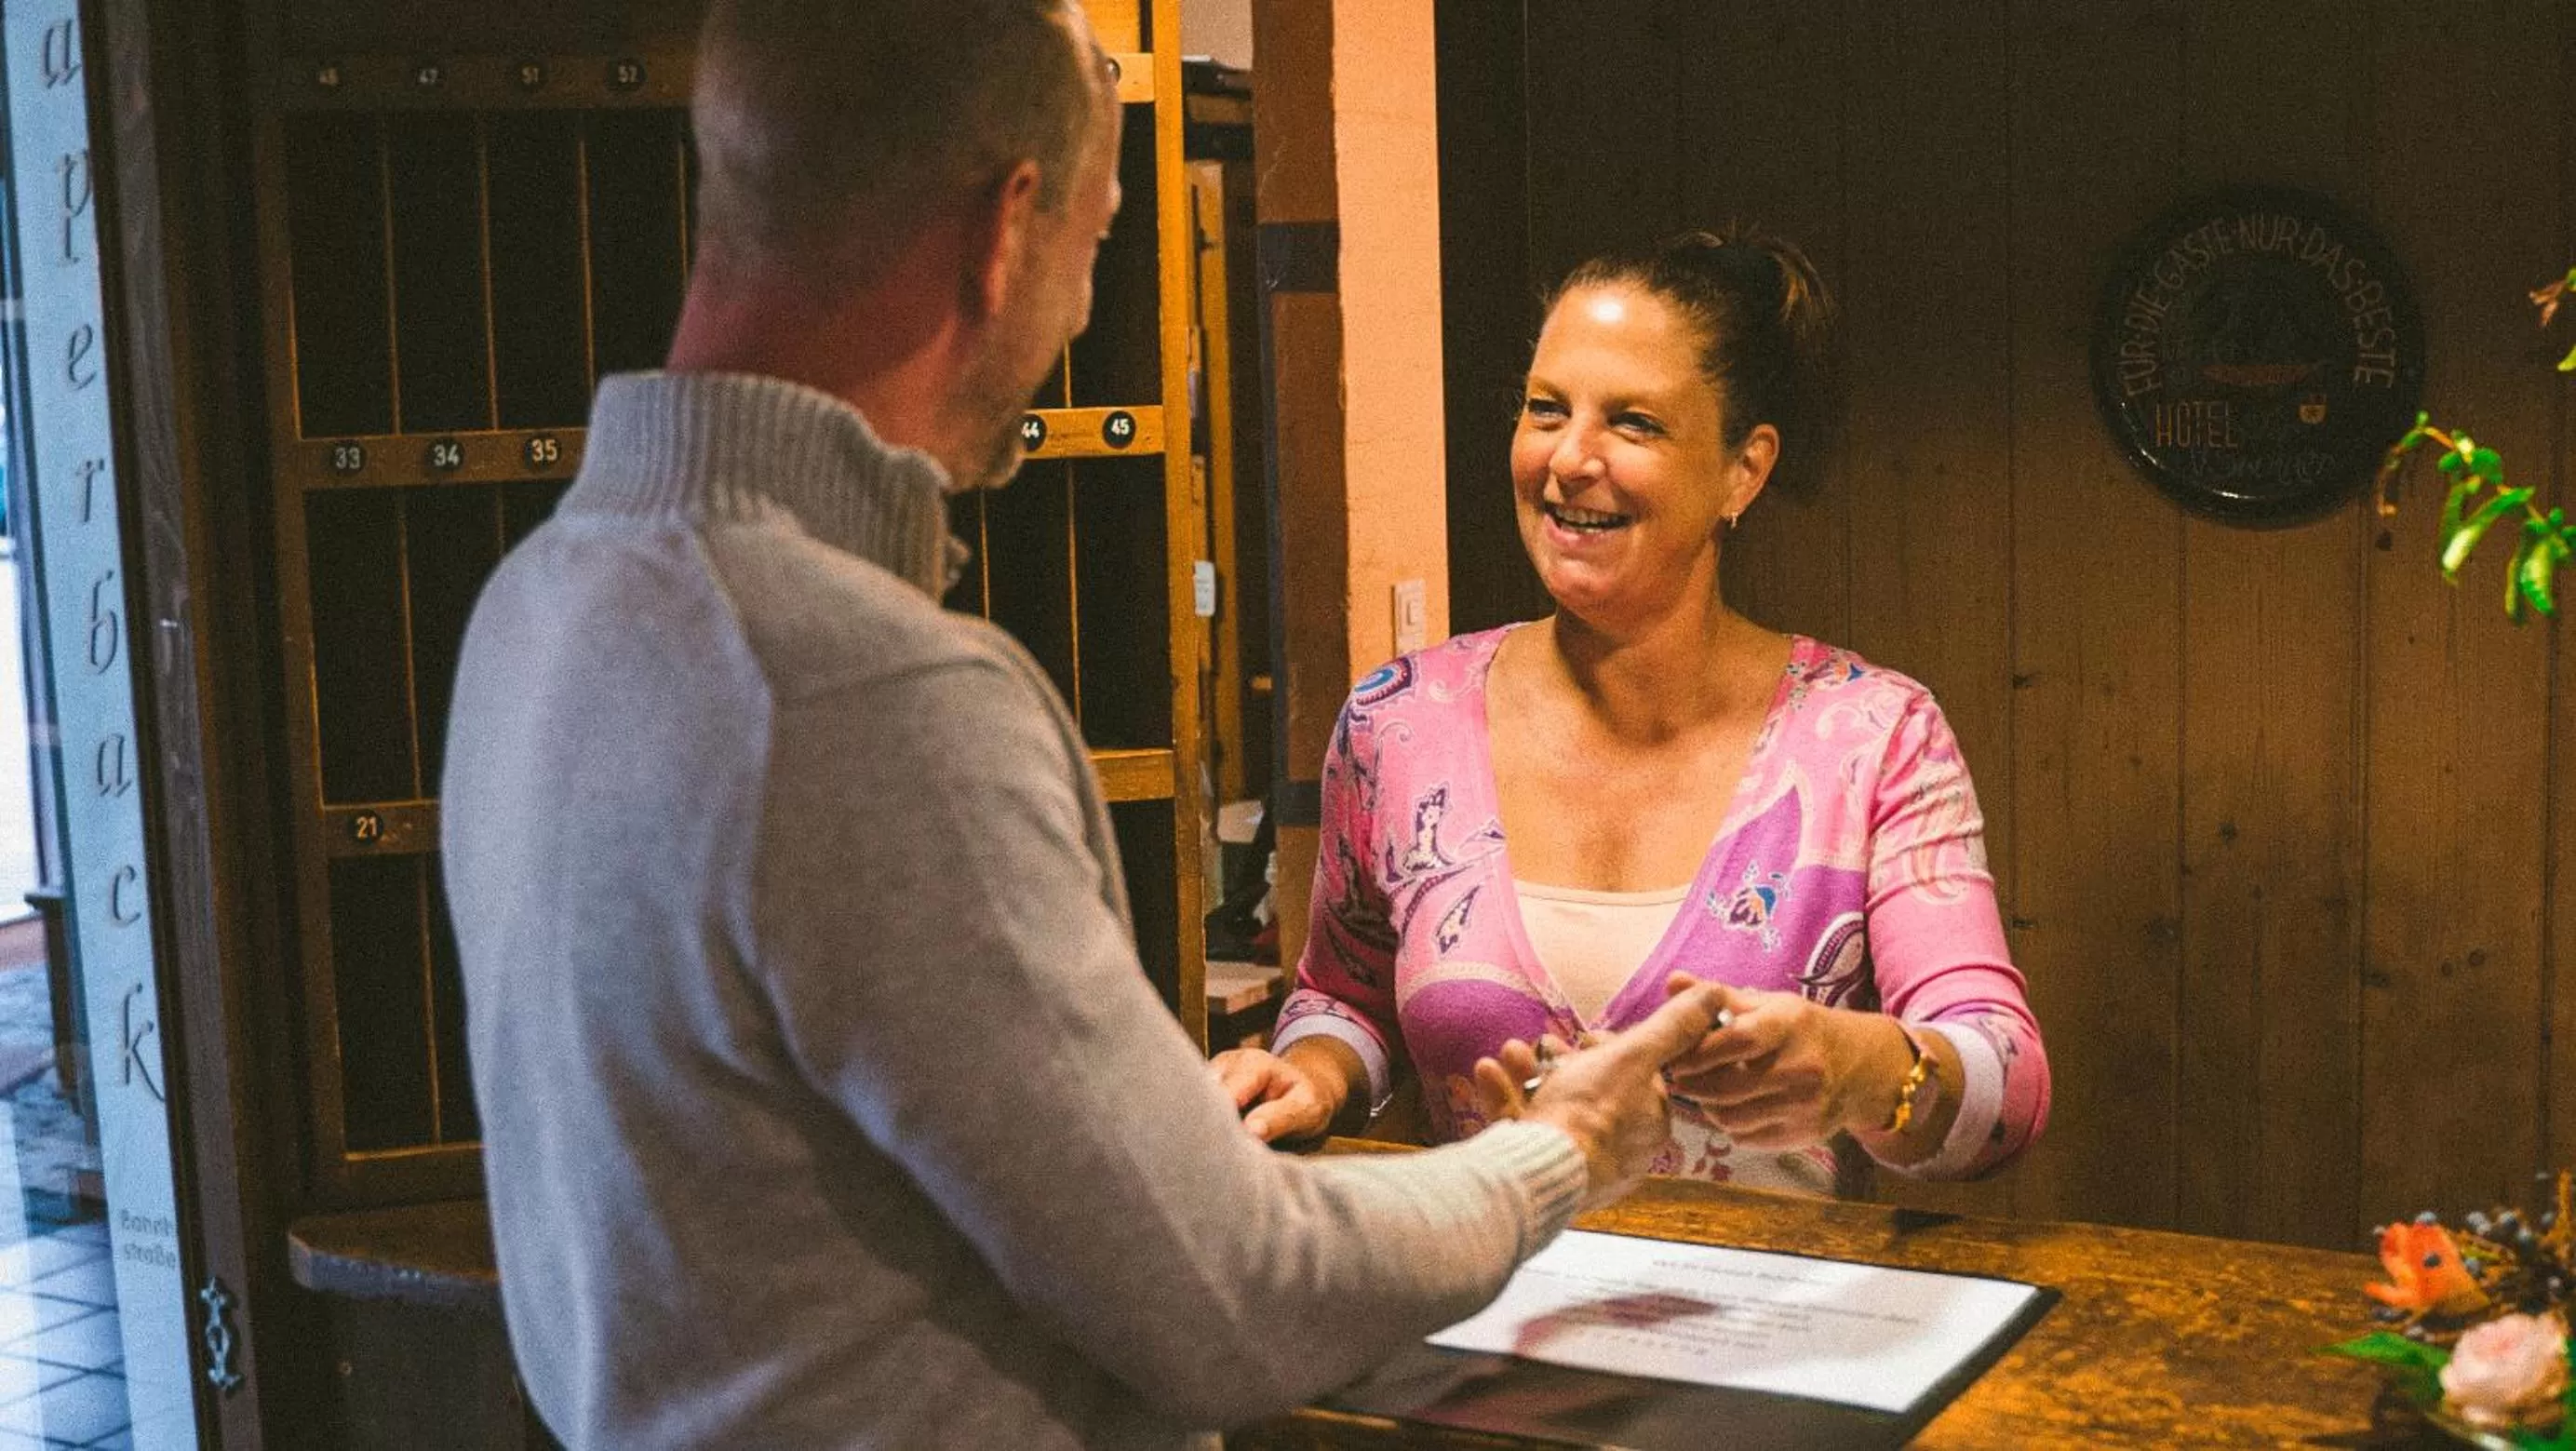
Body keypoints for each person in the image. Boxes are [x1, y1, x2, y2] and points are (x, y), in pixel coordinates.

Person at [439, 4, 1729, 1447]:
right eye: (1100, 242)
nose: (1074, 319)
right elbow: (1239, 1292)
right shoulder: (865, 694)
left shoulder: (534, 606)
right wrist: (1559, 1150)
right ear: (1008, 231)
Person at [1215, 230, 2051, 1198]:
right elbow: (1344, 995)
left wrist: (1867, 1067)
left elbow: (2006, 1084)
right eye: (1545, 409)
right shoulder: (1398, 722)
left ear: (1743, 470)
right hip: (1482, 1283)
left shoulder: (1873, 737)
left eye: (1634, 422)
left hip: (1767, 1296)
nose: (1570, 458)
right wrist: (1313, 1074)